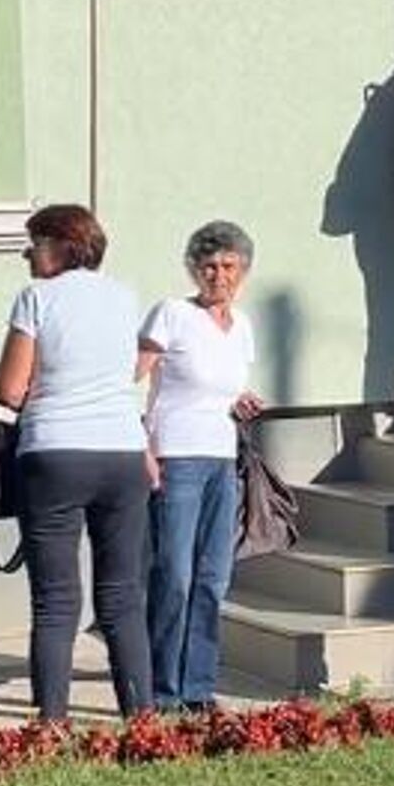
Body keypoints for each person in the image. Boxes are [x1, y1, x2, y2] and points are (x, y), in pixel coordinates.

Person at [0, 203, 153, 720]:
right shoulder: (124, 296)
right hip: (123, 451)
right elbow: (125, 370)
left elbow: (8, 389)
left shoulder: (36, 298)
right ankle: (142, 721)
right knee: (123, 596)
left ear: (63, 246)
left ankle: (53, 725)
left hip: (56, 451)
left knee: (56, 600)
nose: (26, 255)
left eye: (34, 244)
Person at [138, 220, 262, 712]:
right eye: (208, 266)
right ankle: (161, 690)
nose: (219, 276)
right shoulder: (171, 313)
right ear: (194, 270)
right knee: (174, 575)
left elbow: (223, 390)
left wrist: (242, 402)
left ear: (243, 271)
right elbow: (132, 380)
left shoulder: (242, 326)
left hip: (222, 457)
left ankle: (198, 687)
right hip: (176, 456)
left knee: (214, 578)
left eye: (229, 266)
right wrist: (142, 447)